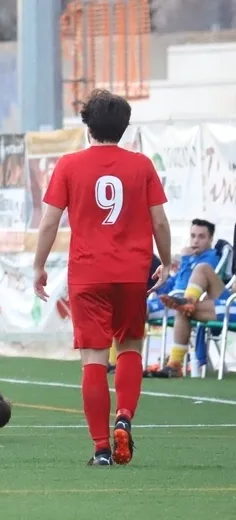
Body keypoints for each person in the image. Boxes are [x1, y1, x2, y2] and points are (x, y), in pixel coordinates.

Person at [33, 89, 172, 467]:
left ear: (87, 125)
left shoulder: (69, 164)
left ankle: (100, 449)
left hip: (89, 274)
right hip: (131, 274)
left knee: (93, 358)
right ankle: (124, 417)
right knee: (129, 348)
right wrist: (169, 262)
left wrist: (38, 266)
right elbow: (159, 219)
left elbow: (49, 222)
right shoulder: (141, 165)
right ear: (124, 127)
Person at [145, 219, 219, 378]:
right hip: (174, 299)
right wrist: (159, 283)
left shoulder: (211, 258)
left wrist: (184, 261)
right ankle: (116, 360)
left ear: (210, 239)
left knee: (140, 310)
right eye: (193, 236)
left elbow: (186, 284)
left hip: (188, 301)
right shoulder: (191, 258)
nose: (195, 241)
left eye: (201, 237)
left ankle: (121, 361)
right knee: (133, 305)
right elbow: (174, 284)